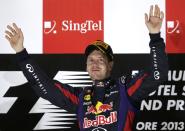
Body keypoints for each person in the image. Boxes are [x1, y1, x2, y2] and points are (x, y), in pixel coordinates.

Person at [5, 5, 168, 131]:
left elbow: (158, 74)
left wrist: (155, 37)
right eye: (91, 60)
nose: (95, 63)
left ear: (110, 65)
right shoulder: (81, 98)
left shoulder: (125, 89)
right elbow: (45, 88)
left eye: (100, 59)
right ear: (86, 66)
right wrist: (21, 53)